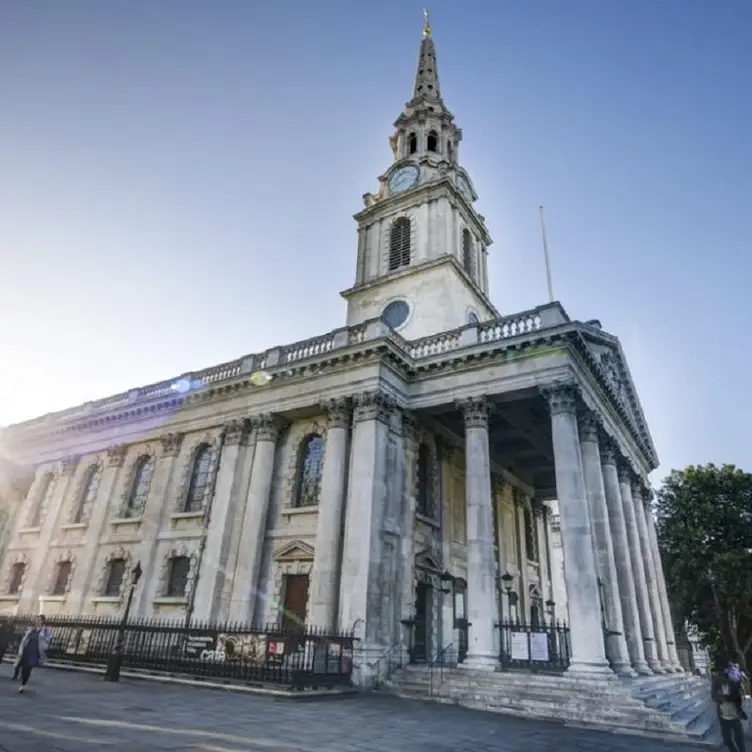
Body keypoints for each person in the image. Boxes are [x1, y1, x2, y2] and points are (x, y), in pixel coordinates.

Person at [712, 658, 748, 752]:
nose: (721, 677)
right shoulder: (716, 683)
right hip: (723, 717)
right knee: (727, 741)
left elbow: (737, 698)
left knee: (739, 740)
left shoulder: (734, 683)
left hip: (735, 716)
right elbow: (713, 696)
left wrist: (725, 698)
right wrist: (718, 698)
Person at [12, 615, 51, 693]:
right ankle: (23, 681)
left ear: (42, 621)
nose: (37, 621)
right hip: (26, 651)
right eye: (36, 620)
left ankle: (23, 685)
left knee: (28, 667)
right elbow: (24, 639)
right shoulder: (30, 630)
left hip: (35, 652)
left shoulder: (46, 630)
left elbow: (48, 641)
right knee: (24, 668)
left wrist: (43, 646)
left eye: (39, 620)